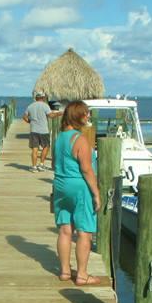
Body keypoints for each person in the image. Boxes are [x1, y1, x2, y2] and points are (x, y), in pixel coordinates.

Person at [51, 100, 101, 285]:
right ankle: (81, 275)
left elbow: (55, 163)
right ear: (78, 115)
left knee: (65, 230)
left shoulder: (61, 137)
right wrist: (96, 193)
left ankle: (64, 272)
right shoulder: (80, 139)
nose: (88, 116)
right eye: (86, 113)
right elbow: (87, 170)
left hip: (60, 185)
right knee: (84, 232)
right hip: (79, 187)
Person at [23, 92, 60, 172]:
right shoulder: (45, 106)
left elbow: (24, 117)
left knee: (34, 149)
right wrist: (59, 113)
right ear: (43, 98)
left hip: (33, 130)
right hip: (44, 130)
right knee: (46, 147)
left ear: (36, 98)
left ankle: (34, 167)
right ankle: (41, 164)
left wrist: (30, 121)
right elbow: (51, 116)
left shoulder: (30, 106)